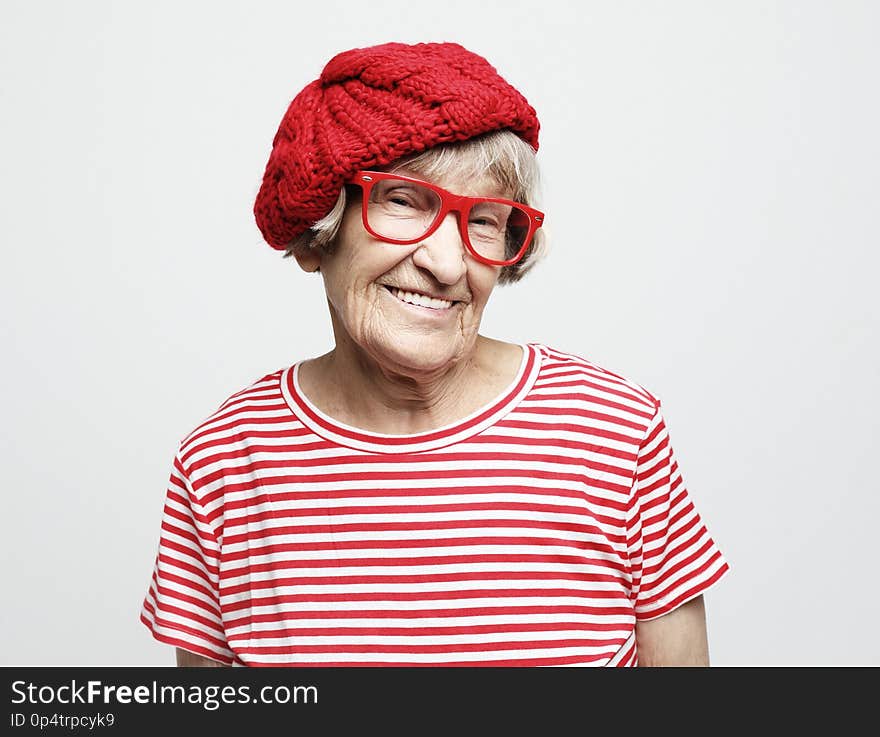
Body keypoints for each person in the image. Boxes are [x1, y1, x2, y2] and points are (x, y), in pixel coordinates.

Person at [140, 41, 729, 667]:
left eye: (483, 220)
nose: (447, 265)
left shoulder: (615, 433)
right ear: (318, 234)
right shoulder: (226, 463)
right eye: (402, 200)